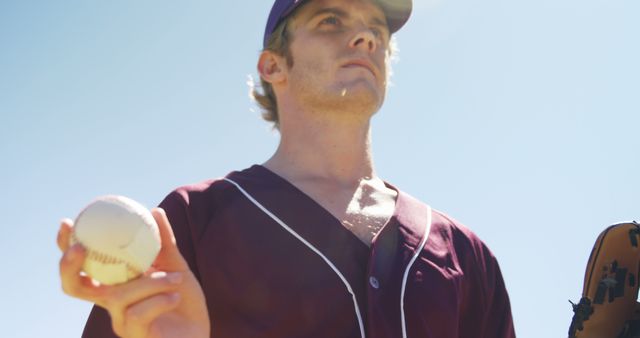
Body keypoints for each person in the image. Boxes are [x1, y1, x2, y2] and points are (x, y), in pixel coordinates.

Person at [57, 0, 516, 337]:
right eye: (330, 20)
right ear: (272, 65)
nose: (367, 37)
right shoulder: (190, 222)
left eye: (377, 27)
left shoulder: (465, 254)